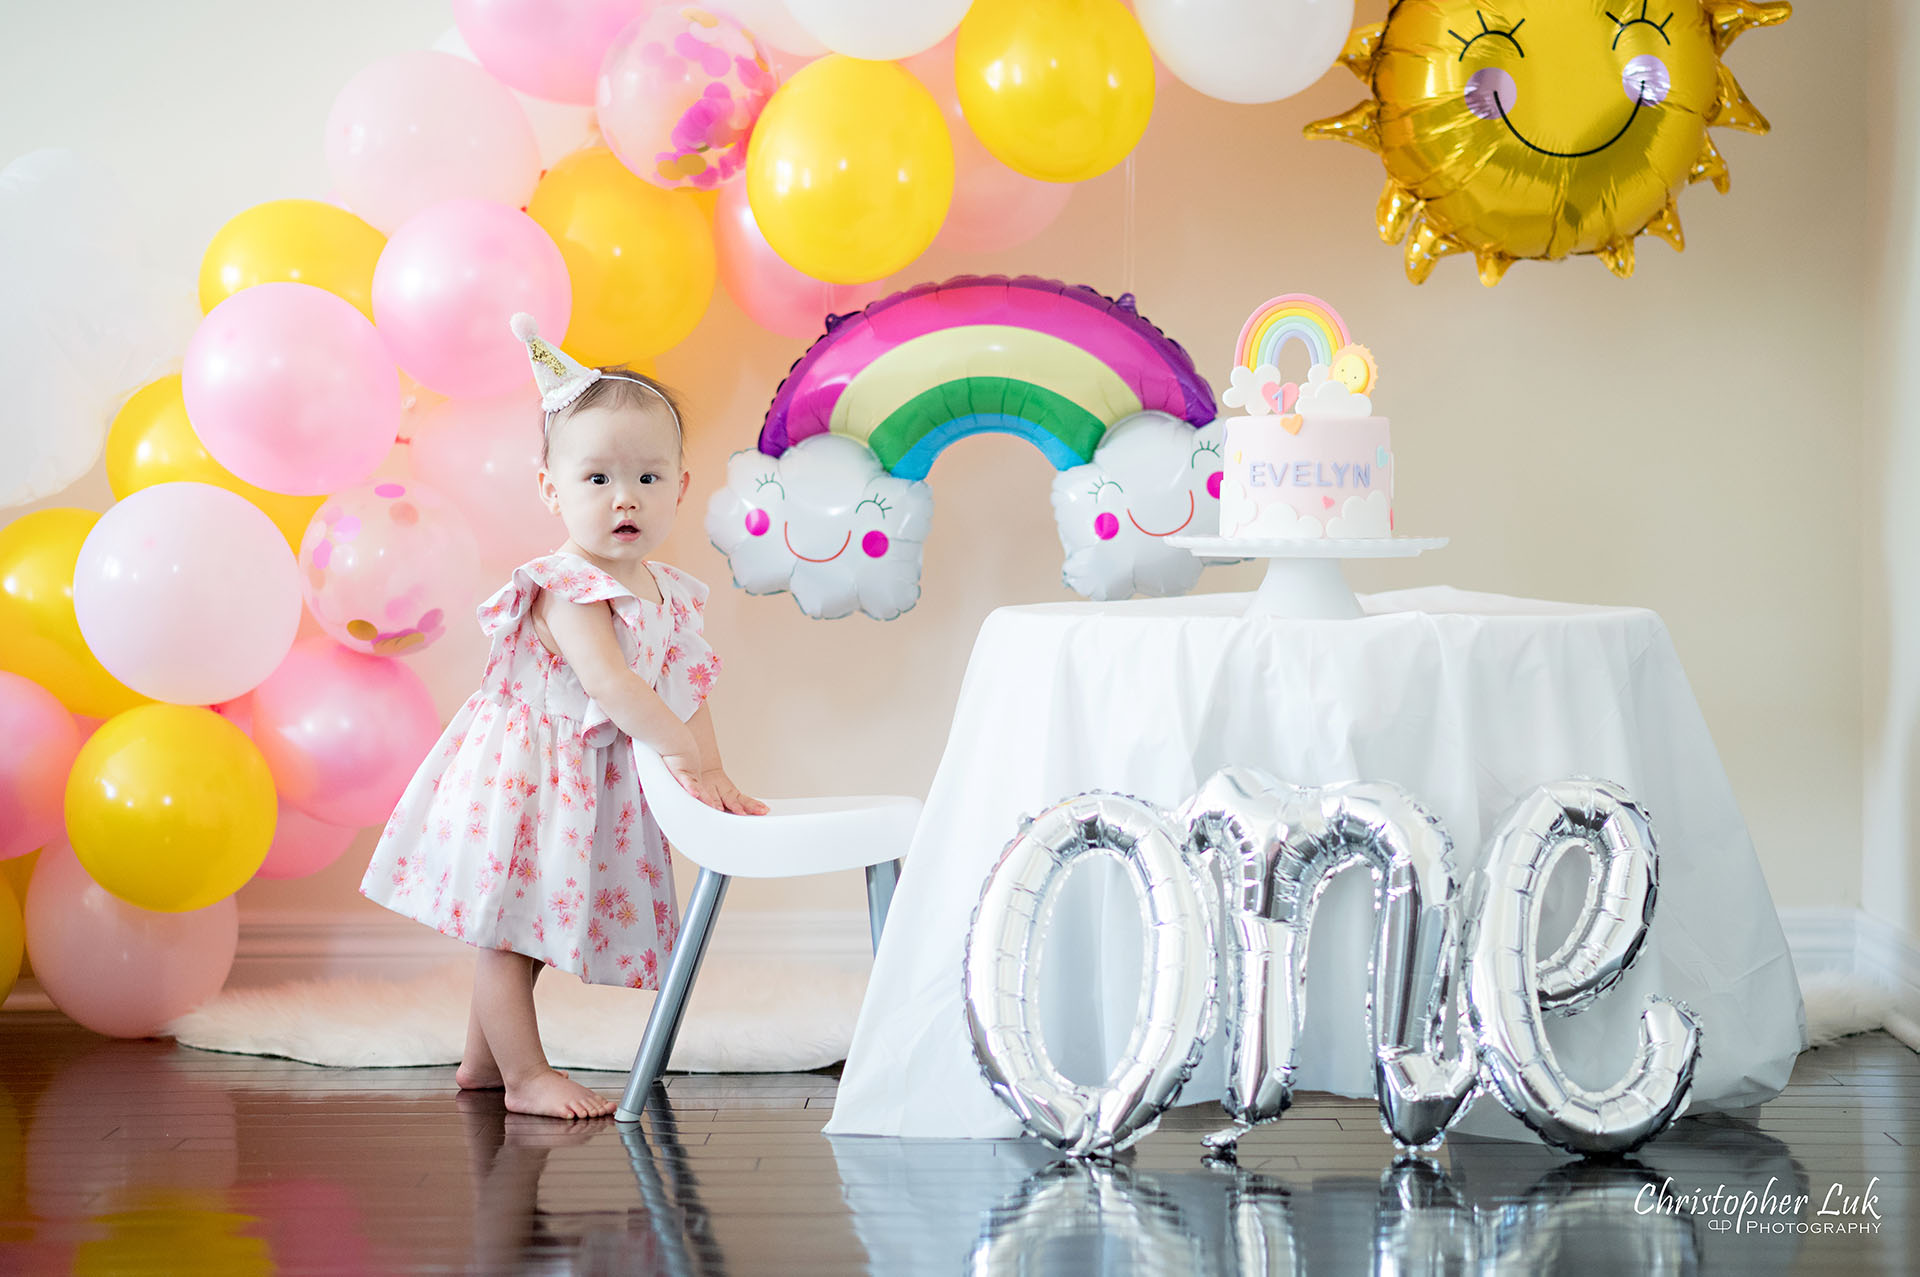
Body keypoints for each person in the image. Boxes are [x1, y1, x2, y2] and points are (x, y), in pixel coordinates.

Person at [362, 314, 766, 1119]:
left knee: (530, 922)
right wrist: (681, 754)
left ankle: (482, 1058)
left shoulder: (664, 589)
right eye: (597, 479)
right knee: (512, 936)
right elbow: (614, 688)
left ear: (681, 487)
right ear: (551, 489)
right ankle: (524, 1074)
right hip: (530, 775)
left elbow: (689, 681)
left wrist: (707, 768)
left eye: (649, 479)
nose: (626, 498)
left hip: (587, 779)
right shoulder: (565, 586)